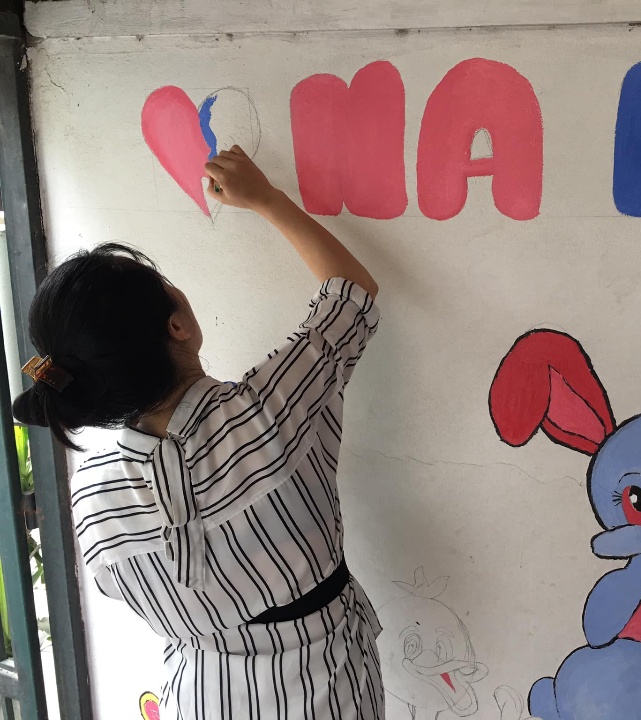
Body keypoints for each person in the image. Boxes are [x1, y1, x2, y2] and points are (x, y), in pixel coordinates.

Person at [12, 146, 384, 719]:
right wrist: (265, 198)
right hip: (326, 689)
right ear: (178, 325)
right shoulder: (264, 411)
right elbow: (351, 295)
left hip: (199, 695)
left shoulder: (91, 496)